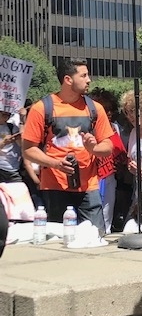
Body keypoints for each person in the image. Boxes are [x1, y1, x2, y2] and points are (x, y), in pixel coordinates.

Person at [22, 58, 114, 231]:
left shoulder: (95, 109)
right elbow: (28, 150)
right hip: (55, 187)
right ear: (68, 79)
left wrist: (93, 148)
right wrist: (56, 163)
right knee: (58, 243)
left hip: (89, 187)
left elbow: (108, 146)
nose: (89, 80)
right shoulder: (42, 108)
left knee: (95, 237)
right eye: (84, 75)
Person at [90, 88, 128, 233]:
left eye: (111, 109)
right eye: (106, 110)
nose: (109, 113)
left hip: (109, 177)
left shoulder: (115, 128)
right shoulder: (88, 128)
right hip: (92, 176)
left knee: (106, 215)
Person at [0, 110, 23, 183]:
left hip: (13, 167)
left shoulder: (12, 127)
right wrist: (4, 143)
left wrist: (18, 138)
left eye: (9, 115)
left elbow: (22, 145)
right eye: (4, 115)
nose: (6, 117)